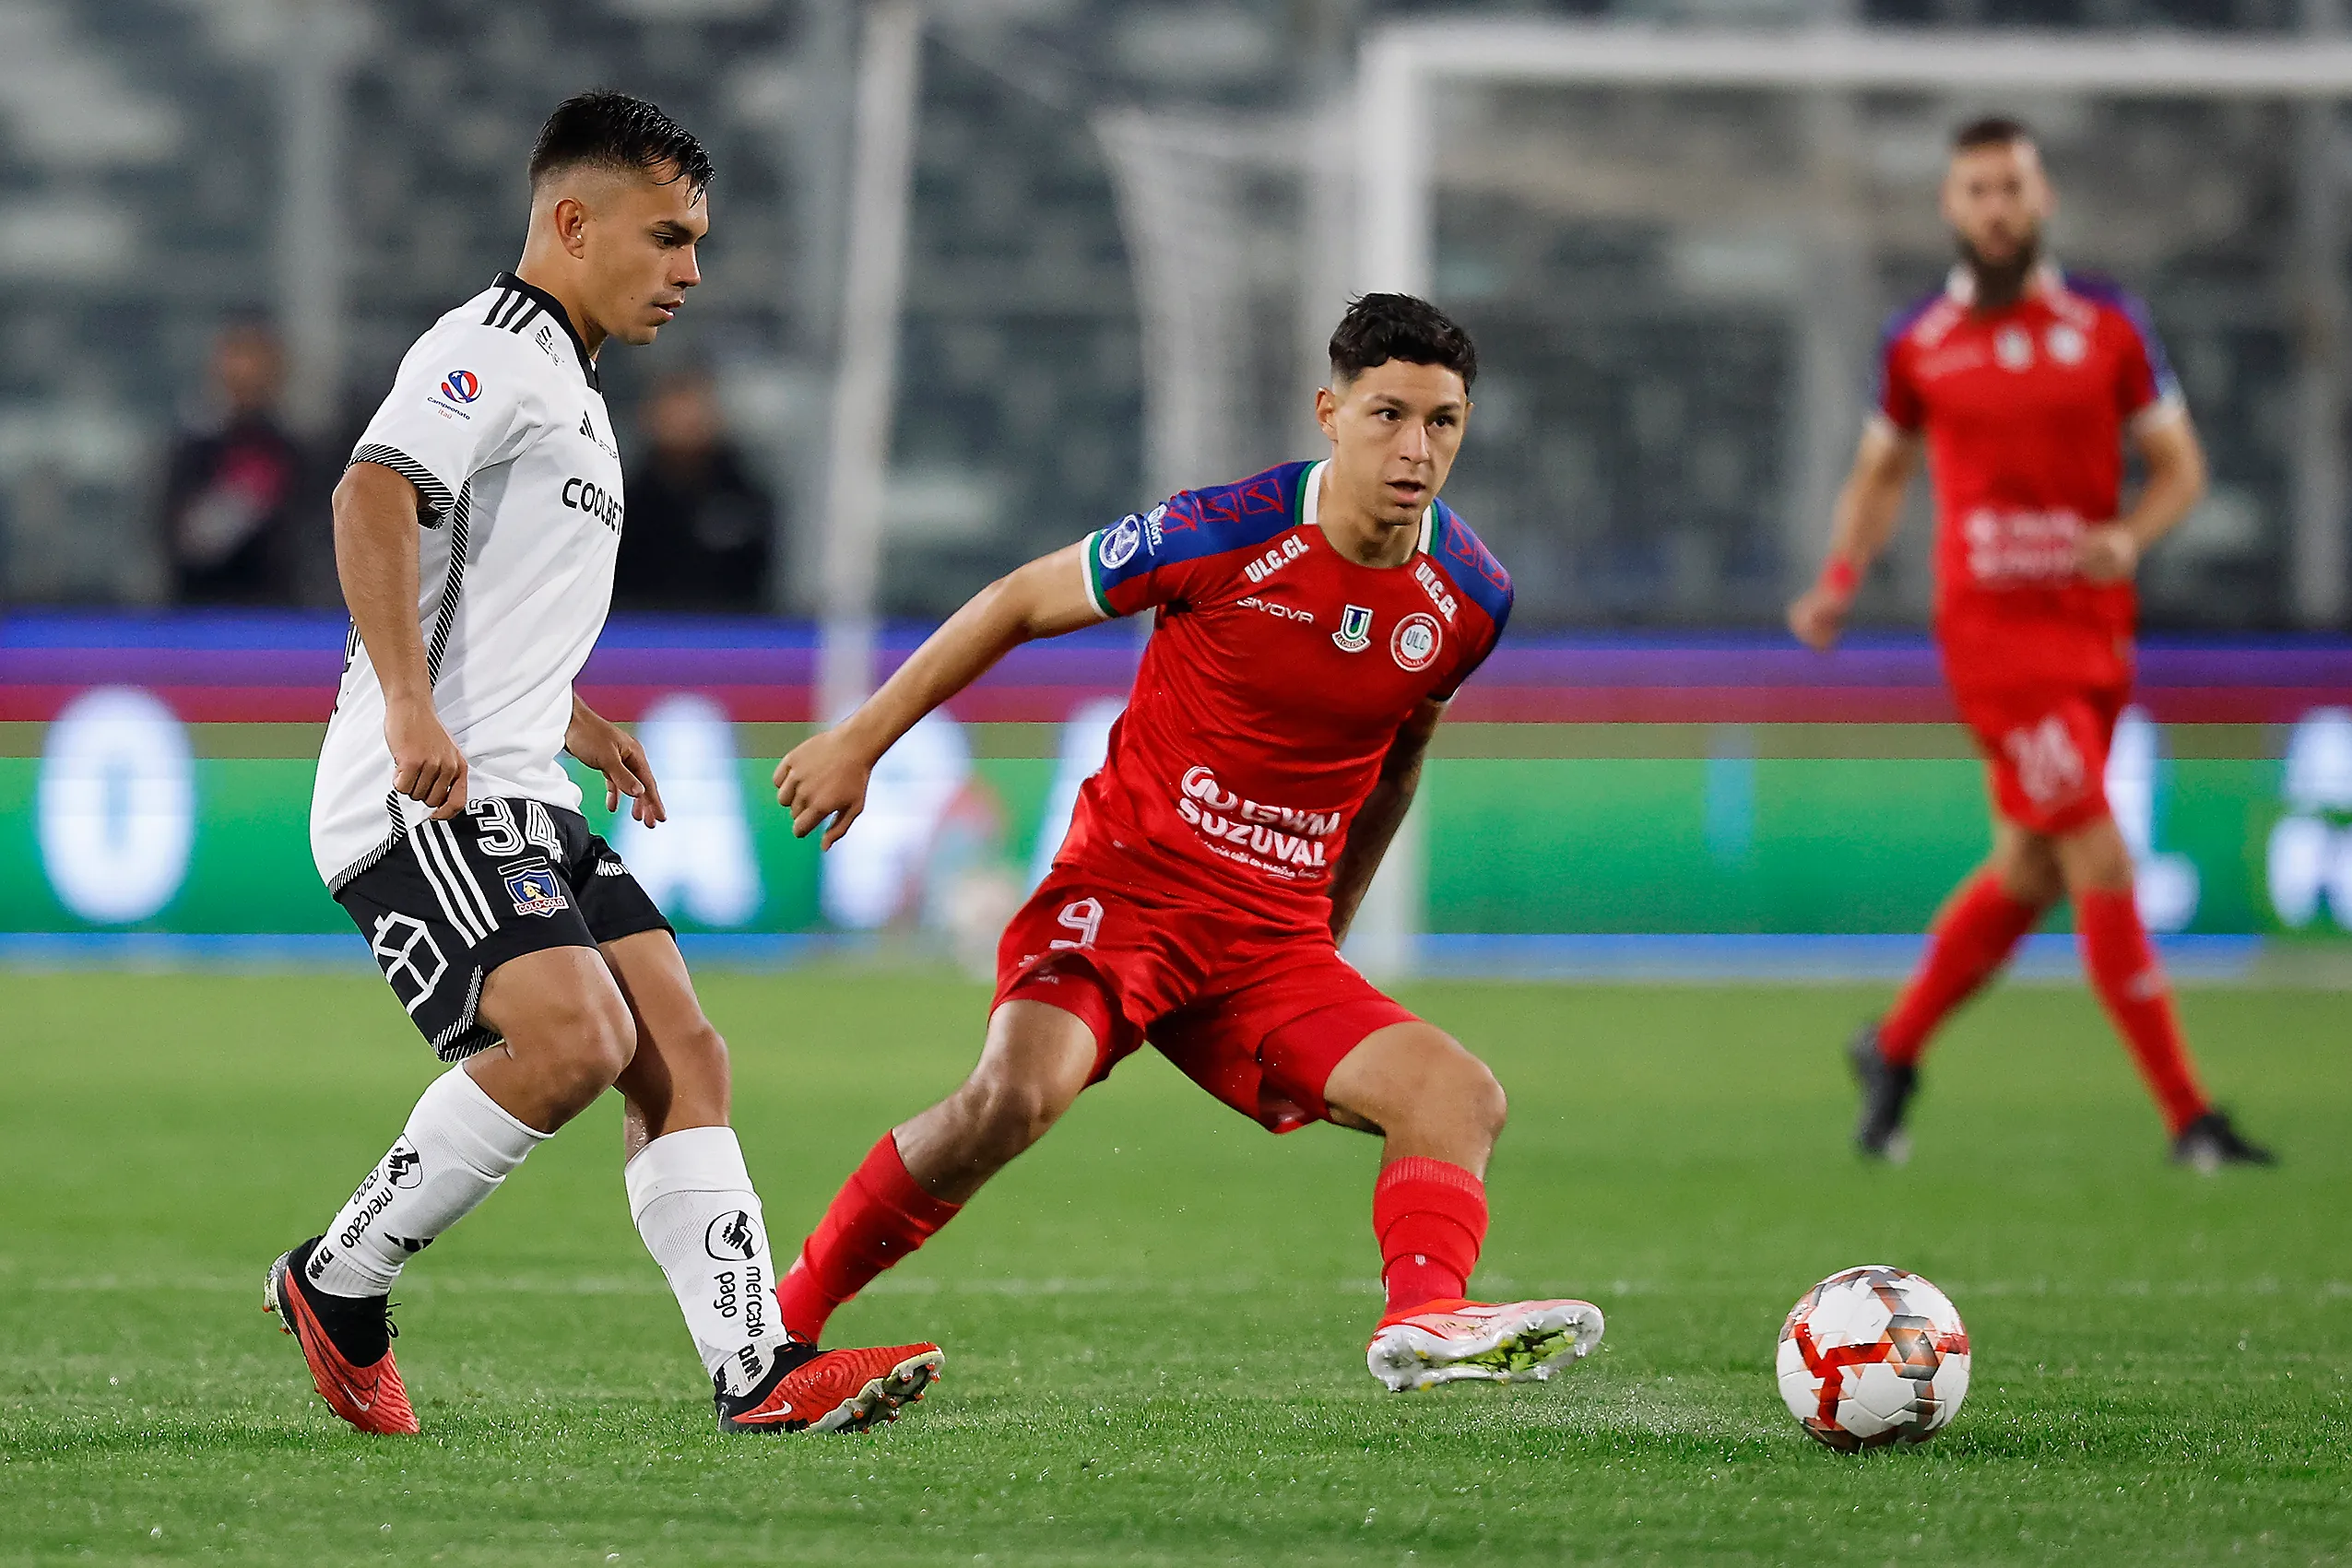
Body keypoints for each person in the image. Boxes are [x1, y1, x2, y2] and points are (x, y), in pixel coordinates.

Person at [772, 293, 1606, 1392]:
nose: (1415, 450)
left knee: (1457, 1095)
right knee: (1012, 1100)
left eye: (1442, 422)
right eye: (1387, 415)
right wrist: (861, 739)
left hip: (1268, 943)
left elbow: (1398, 761)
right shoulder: (1225, 530)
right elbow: (1023, 599)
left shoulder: (1469, 596)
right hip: (1127, 895)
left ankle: (1426, 1316)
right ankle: (777, 1324)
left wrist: (1330, 926)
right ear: (1330, 412)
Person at [273, 90, 941, 1438]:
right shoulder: (491, 348)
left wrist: (578, 721)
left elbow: (484, 592)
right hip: (422, 796)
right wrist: (408, 709)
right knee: (574, 1038)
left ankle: (754, 1369)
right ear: (571, 224)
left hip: (527, 785)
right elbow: (369, 497)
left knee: (681, 1050)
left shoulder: (572, 396)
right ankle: (338, 1281)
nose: (691, 269)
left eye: (696, 240)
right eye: (668, 237)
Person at [1788, 115, 2274, 1172]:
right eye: (1976, 189)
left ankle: (1892, 1046)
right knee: (2096, 850)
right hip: (1994, 642)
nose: (1996, 207)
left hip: (2094, 638)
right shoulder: (1916, 341)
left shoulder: (2108, 325)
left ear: (2040, 199)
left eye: (2011, 187)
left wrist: (2126, 538)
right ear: (1949, 206)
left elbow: (2179, 468)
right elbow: (1879, 476)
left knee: (2030, 868)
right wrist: (1835, 582)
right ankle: (2189, 1120)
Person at [159, 321, 311, 604]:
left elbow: (306, 538)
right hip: (196, 611)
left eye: (256, 367)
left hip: (277, 615)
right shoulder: (190, 451)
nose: (245, 375)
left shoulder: (293, 452)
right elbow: (174, 537)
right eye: (236, 365)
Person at [614, 370, 777, 612]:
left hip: (729, 635)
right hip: (637, 636)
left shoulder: (745, 499)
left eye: (693, 408)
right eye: (673, 409)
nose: (683, 421)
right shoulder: (624, 498)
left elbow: (759, 581)